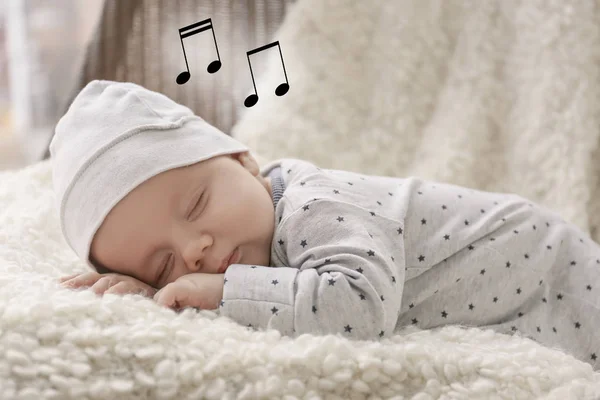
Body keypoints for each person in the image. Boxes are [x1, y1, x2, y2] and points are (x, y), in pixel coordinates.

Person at [54, 80, 600, 371]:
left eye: (196, 204)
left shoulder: (312, 205)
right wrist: (155, 294)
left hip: (553, 272)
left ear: (243, 160)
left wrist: (221, 292)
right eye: (162, 262)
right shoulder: (258, 240)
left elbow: (357, 306)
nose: (194, 251)